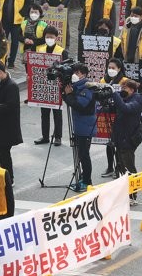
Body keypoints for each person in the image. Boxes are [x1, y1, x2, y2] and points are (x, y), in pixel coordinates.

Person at [62, 63, 96, 192]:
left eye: (77, 73)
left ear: (84, 74)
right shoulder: (77, 87)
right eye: (73, 73)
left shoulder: (87, 88)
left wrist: (69, 95)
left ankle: (87, 181)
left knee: (84, 154)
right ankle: (83, 178)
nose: (74, 75)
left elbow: (79, 105)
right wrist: (66, 93)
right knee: (81, 154)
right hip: (80, 125)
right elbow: (70, 100)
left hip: (85, 127)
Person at [33, 26, 66, 146]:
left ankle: (58, 136)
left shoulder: (62, 51)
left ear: (56, 38)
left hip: (57, 86)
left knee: (57, 112)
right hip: (44, 86)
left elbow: (65, 69)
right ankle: (45, 136)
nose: (49, 39)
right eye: (47, 37)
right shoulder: (40, 50)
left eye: (51, 37)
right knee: (44, 112)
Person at [111, 79, 142, 185]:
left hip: (129, 139)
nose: (122, 91)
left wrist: (114, 94)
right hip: (120, 138)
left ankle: (133, 194)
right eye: (121, 88)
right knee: (121, 166)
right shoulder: (124, 98)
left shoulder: (138, 100)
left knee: (129, 167)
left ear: (131, 90)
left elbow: (125, 109)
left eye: (124, 88)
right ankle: (124, 192)